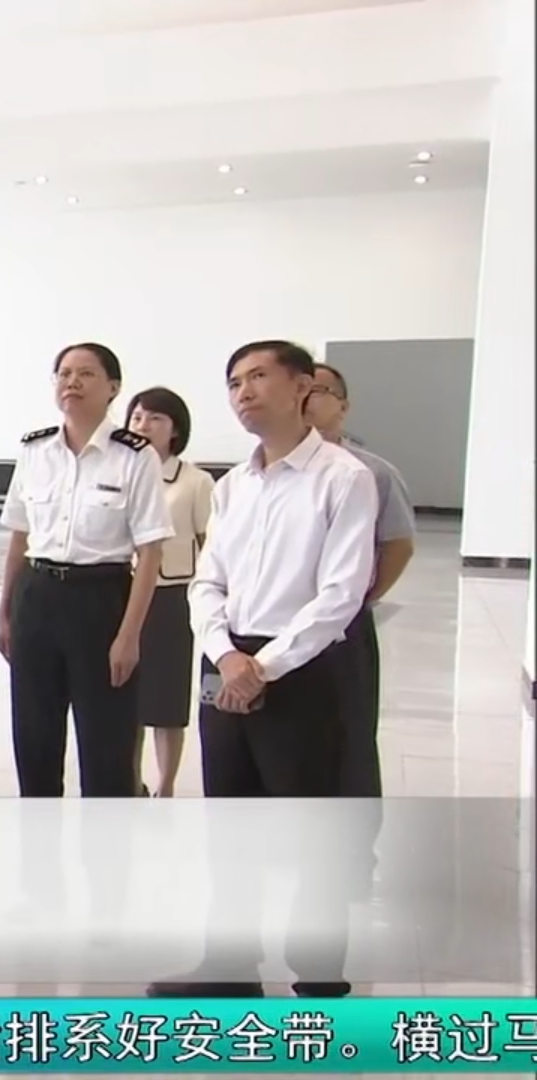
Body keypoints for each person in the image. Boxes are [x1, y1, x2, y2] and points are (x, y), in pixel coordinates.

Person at [149, 340, 378, 999]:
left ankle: (319, 974)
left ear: (303, 387)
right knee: (230, 821)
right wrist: (226, 655)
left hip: (303, 667)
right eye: (233, 382)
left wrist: (264, 667)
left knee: (311, 827)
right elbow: (206, 581)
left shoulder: (343, 478)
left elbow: (341, 594)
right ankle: (229, 966)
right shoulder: (233, 486)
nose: (243, 392)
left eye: (257, 377)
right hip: (227, 660)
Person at [0, 343, 171, 798]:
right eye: (64, 373)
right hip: (37, 596)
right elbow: (18, 537)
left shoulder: (135, 456)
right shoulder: (34, 450)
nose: (71, 382)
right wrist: (4, 613)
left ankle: (107, 837)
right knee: (34, 736)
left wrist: (129, 636)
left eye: (86, 373)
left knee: (107, 744)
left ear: (113, 387)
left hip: (101, 599)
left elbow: (151, 552)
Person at [305, 362, 415, 797]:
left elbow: (398, 545)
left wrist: (360, 598)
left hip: (342, 623)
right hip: (275, 619)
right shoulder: (260, 470)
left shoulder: (371, 472)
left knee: (345, 731)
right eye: (298, 389)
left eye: (317, 390)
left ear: (343, 406)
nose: (305, 399)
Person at [124, 387, 215, 797]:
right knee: (124, 696)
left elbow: (210, 544)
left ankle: (166, 786)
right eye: (137, 417)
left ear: (175, 430)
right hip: (121, 592)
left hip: (170, 598)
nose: (143, 425)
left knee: (166, 699)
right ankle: (129, 781)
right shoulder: (117, 473)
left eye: (155, 418)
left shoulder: (195, 482)